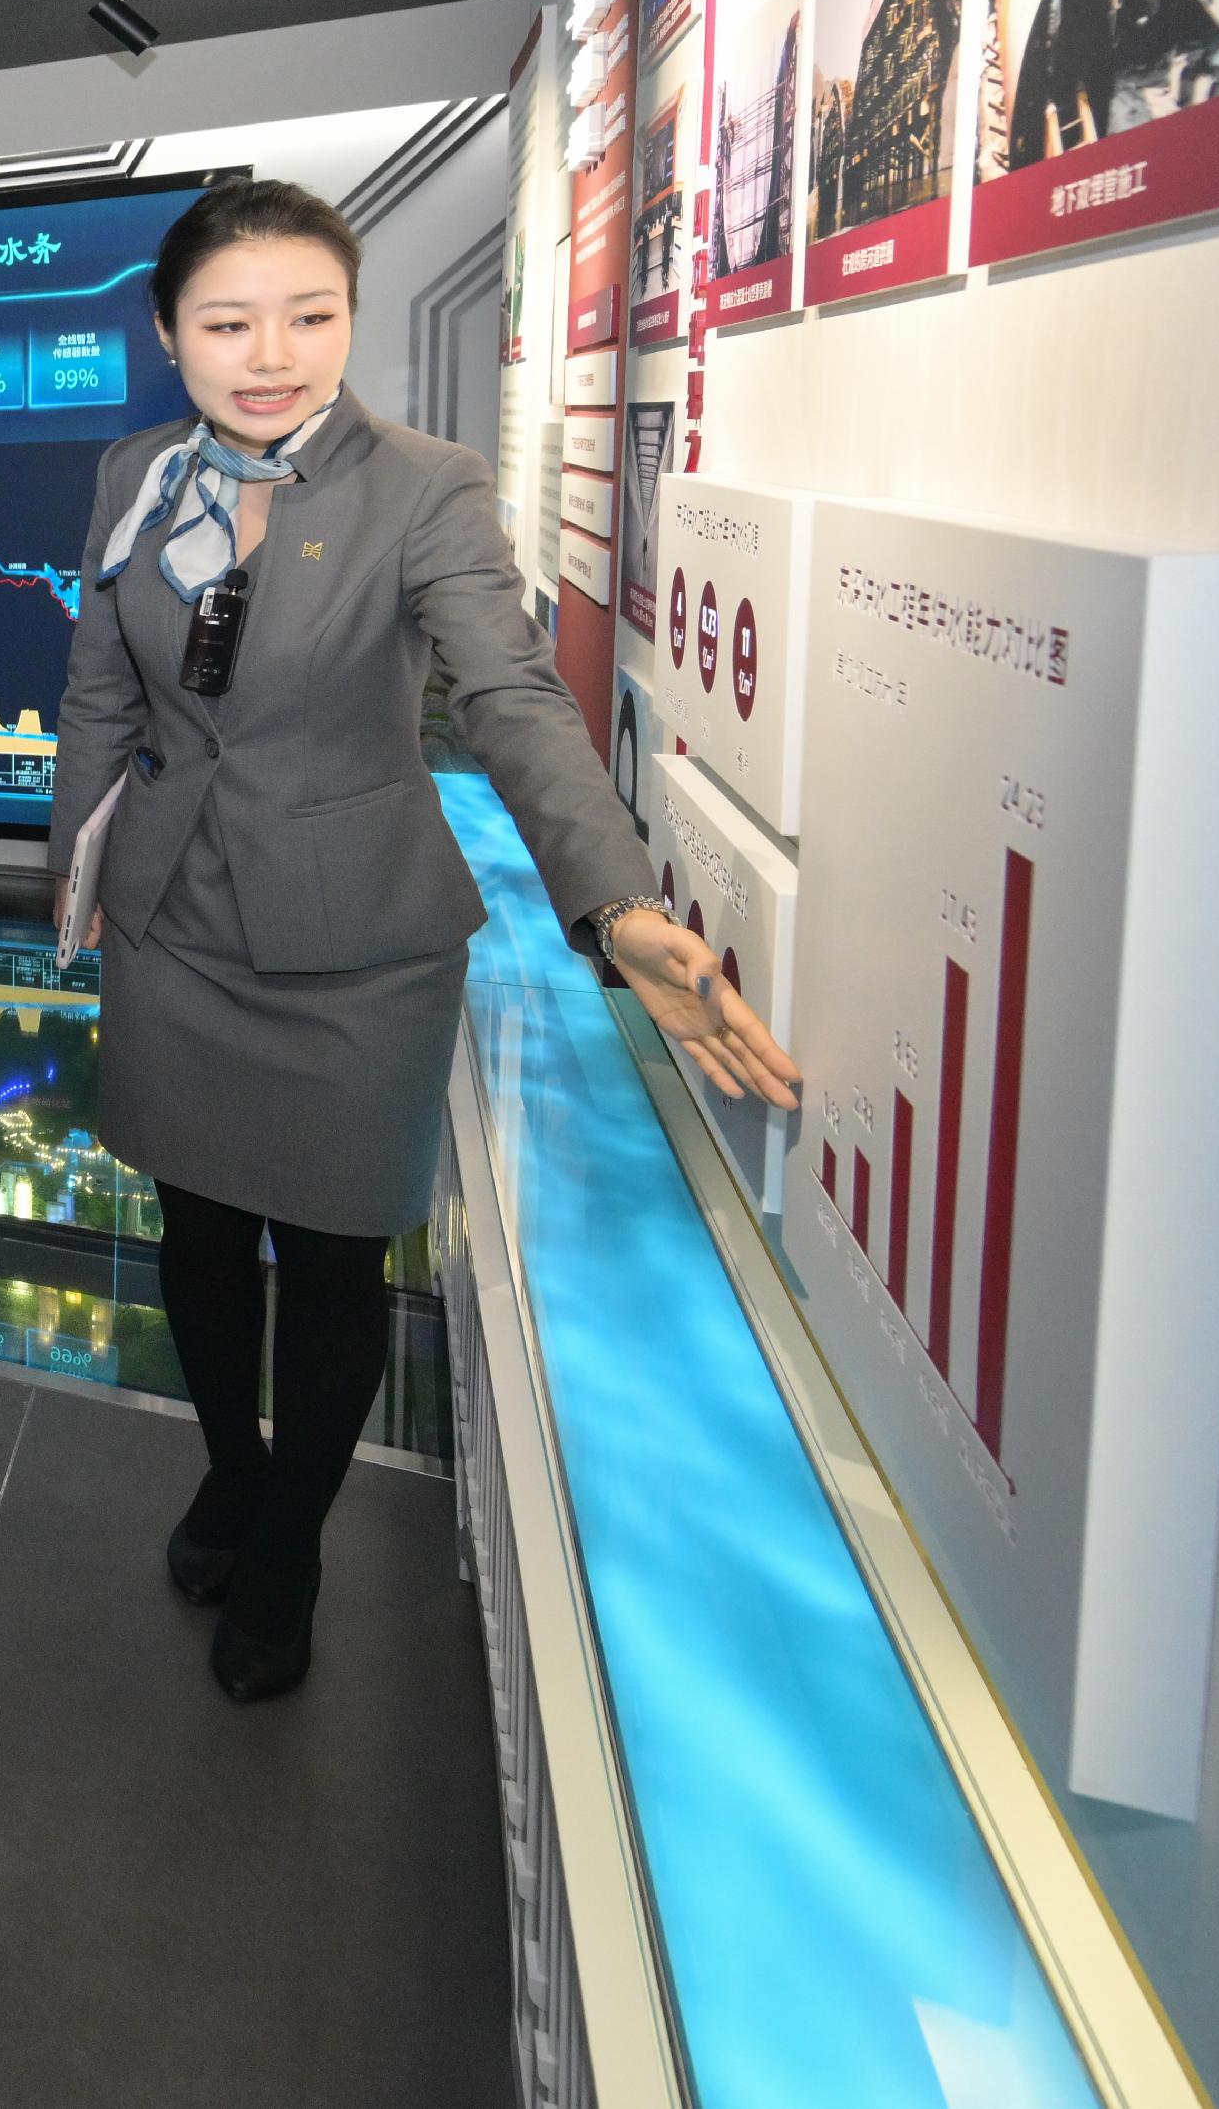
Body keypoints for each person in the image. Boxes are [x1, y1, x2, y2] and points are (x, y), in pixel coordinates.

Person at [52, 179, 794, 1703]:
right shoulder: (133, 471)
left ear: (351, 317)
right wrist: (79, 878)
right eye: (230, 320)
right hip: (175, 922)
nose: (274, 353)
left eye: (311, 315)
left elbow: (513, 695)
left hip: (356, 944)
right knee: (195, 1232)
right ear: (167, 332)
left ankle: (295, 1543)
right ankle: (231, 1467)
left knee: (329, 1260)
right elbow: (102, 694)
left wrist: (619, 901)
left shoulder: (425, 484)